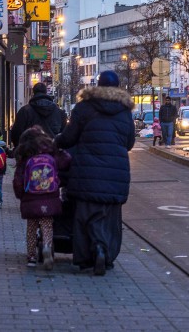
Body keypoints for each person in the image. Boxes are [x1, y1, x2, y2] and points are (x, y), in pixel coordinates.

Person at [54, 70, 135, 276]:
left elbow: (70, 137)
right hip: (115, 175)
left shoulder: (83, 108)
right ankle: (104, 252)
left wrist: (57, 141)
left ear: (97, 85)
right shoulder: (125, 111)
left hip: (86, 173)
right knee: (109, 218)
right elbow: (129, 142)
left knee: (84, 216)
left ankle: (89, 256)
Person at [12, 125, 71, 270]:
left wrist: (21, 195)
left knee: (31, 228)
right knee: (47, 225)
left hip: (30, 198)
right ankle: (46, 246)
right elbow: (66, 161)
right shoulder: (51, 153)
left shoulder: (25, 157)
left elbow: (18, 181)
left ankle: (31, 257)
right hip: (49, 197)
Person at [10, 82, 67, 148]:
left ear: (33, 92)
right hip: (51, 151)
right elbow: (64, 134)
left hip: (31, 151)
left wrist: (20, 149)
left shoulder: (24, 111)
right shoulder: (59, 112)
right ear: (46, 92)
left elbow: (17, 132)